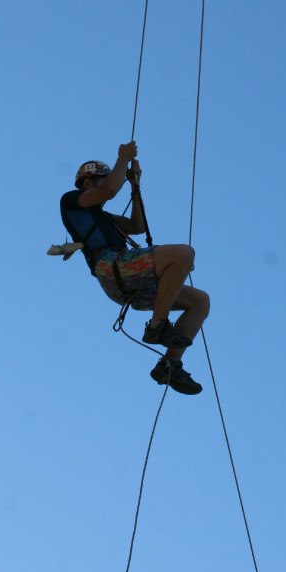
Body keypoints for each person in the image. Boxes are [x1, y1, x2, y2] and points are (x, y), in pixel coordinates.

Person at [60, 141, 209, 395]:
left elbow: (137, 225)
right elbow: (108, 190)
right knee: (183, 254)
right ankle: (157, 326)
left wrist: (135, 186)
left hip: (125, 281)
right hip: (112, 267)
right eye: (100, 179)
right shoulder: (71, 201)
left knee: (200, 301)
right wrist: (123, 158)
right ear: (87, 182)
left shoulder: (103, 218)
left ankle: (170, 364)